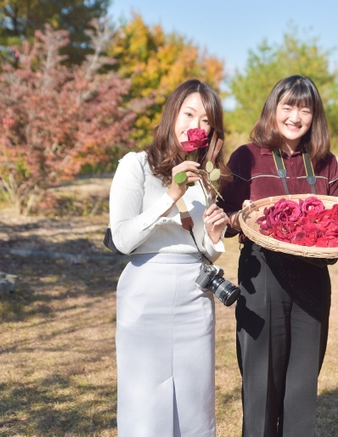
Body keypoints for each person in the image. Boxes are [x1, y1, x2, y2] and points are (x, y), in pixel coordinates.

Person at [220, 75, 338, 437]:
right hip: (261, 278)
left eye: (304, 109)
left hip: (312, 279)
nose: (295, 117)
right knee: (261, 387)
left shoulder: (326, 163)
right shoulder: (247, 156)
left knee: (302, 389)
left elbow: (337, 232)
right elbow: (224, 220)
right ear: (273, 109)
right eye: (287, 106)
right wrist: (238, 217)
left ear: (314, 116)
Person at [109, 79, 231, 437]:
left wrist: (213, 236)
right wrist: (171, 194)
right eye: (189, 114)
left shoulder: (202, 175)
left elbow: (200, 248)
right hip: (146, 292)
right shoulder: (136, 165)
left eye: (205, 121)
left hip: (194, 296)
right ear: (172, 114)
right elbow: (123, 239)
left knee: (195, 402)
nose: (195, 126)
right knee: (145, 402)